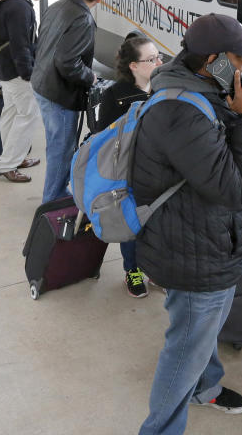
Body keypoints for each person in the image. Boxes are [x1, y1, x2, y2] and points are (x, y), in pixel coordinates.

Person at [133, 13, 242, 435]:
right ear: (213, 59)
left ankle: (206, 385)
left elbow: (219, 160)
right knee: (185, 349)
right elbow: (232, 187)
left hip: (206, 238)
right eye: (238, 58)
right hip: (193, 251)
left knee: (202, 333)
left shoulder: (204, 91)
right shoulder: (182, 109)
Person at [95, 35, 163, 298]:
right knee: (132, 225)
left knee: (157, 223)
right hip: (130, 172)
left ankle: (156, 271)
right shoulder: (115, 94)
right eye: (151, 59)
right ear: (134, 66)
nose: (158, 62)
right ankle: (132, 270)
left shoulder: (162, 88)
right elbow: (104, 136)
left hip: (159, 169)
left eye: (159, 57)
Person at [31, 0, 106, 204]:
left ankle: (55, 193)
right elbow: (67, 62)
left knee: (57, 145)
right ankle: (53, 201)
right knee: (61, 149)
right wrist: (90, 77)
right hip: (59, 93)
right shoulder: (82, 19)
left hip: (42, 83)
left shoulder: (57, 6)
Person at [0, 0, 46, 183]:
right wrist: (28, 73)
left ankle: (15, 157)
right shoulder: (20, 6)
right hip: (17, 71)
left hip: (5, 67)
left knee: (12, 113)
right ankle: (7, 164)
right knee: (28, 116)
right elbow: (20, 44)